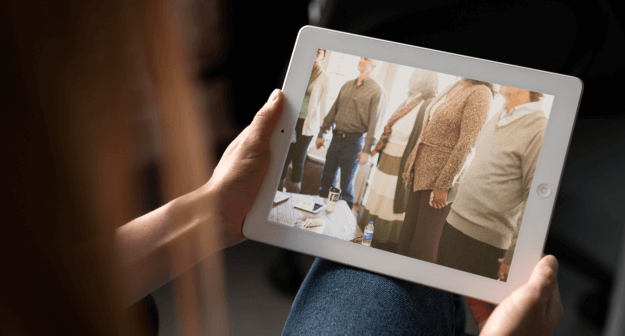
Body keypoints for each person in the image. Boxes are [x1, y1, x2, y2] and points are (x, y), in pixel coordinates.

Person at [3, 0, 563, 333]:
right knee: (394, 266)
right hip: (383, 159)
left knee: (382, 258)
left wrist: (214, 210)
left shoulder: (470, 100)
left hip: (404, 170)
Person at [437, 85, 548, 281]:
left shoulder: (540, 129)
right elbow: (481, 166)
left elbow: (535, 201)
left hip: (485, 243)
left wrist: (514, 257)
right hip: (453, 224)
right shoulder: (499, 115)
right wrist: (451, 194)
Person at [397, 78, 495, 263]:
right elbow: (427, 131)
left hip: (439, 180)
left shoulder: (480, 92)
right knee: (407, 237)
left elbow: (467, 143)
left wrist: (443, 184)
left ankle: (418, 289)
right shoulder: (454, 85)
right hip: (420, 173)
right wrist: (411, 165)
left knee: (423, 246)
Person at [358, 68, 438, 252]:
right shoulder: (408, 100)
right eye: (411, 73)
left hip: (400, 164)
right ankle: (368, 241)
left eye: (417, 75)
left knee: (389, 204)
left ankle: (382, 246)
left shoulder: (427, 105)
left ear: (427, 80)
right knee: (376, 200)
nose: (411, 77)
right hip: (386, 158)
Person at [316, 57, 387, 208]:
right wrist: (322, 133)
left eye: (366, 59)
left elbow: (376, 122)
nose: (361, 60)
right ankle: (321, 213)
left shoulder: (377, 91)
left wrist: (367, 150)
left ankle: (343, 225)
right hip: (335, 139)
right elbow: (333, 110)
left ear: (375, 65)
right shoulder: (347, 85)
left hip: (354, 143)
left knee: (346, 185)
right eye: (361, 57)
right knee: (326, 180)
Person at [278, 48, 332, 193]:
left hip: (307, 124)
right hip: (292, 120)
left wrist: (323, 132)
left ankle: (293, 191)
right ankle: (277, 190)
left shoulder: (325, 78)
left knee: (299, 158)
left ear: (323, 56)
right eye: (314, 51)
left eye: (319, 53)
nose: (315, 54)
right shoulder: (301, 71)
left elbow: (324, 107)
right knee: (285, 155)